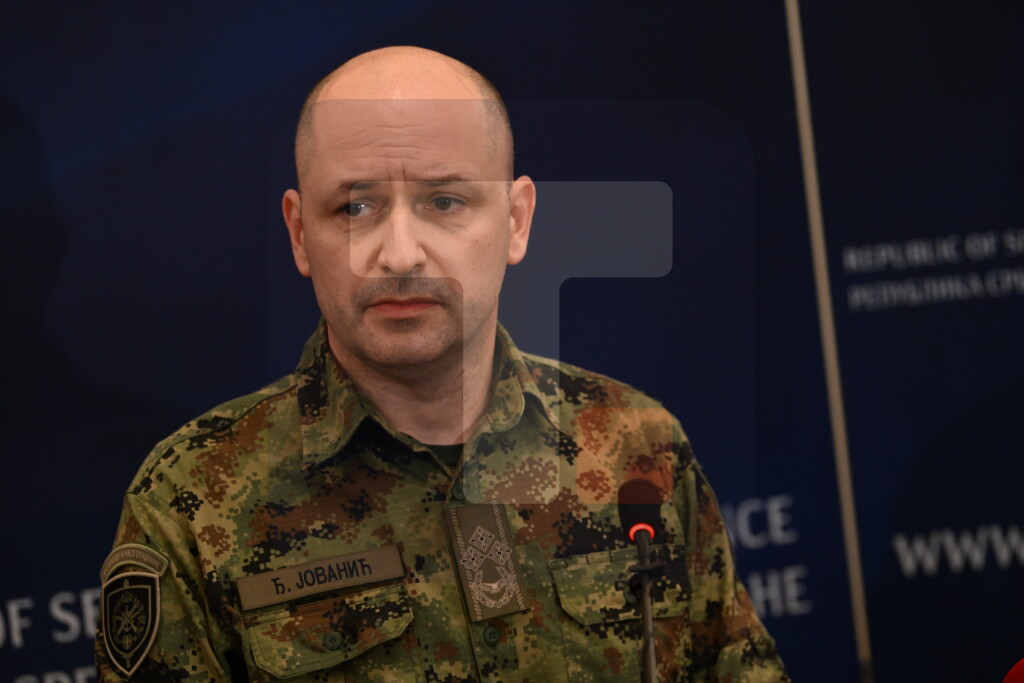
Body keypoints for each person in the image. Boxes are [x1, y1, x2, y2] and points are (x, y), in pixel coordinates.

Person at [96, 46, 788, 681]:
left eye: (445, 201)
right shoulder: (189, 502)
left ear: (516, 220)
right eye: (355, 206)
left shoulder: (638, 448)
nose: (400, 254)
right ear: (300, 233)